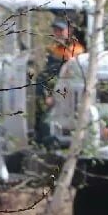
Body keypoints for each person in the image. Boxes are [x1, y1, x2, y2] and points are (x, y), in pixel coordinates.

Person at [35, 17, 85, 145]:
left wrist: (53, 96)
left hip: (67, 97)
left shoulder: (77, 51)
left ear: (70, 31)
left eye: (60, 30)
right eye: (55, 30)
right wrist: (46, 94)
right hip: (53, 93)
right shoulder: (54, 50)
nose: (57, 33)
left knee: (47, 123)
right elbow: (47, 76)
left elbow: (68, 80)